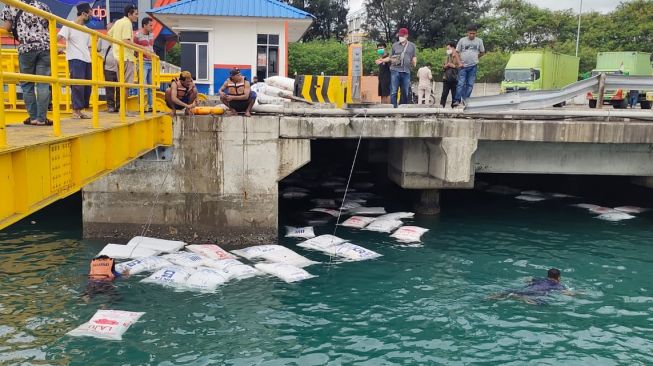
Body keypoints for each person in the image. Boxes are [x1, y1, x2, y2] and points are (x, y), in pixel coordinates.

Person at [1, 0, 53, 125]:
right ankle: (41, 119)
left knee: (27, 85)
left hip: (26, 48)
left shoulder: (11, 4)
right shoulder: (42, 6)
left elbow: (7, 27)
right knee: (43, 84)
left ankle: (33, 117)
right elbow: (50, 26)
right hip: (44, 48)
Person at [57, 3, 92, 119]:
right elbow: (59, 37)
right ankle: (75, 111)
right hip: (75, 58)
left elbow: (89, 46)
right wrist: (57, 48)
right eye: (90, 14)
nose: (91, 17)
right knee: (77, 85)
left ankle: (80, 110)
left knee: (87, 86)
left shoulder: (87, 30)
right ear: (83, 14)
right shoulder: (69, 25)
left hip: (87, 59)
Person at [108, 5, 146, 107]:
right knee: (127, 85)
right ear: (129, 14)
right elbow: (126, 40)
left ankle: (121, 109)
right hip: (126, 57)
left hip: (117, 55)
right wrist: (141, 48)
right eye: (136, 14)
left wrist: (115, 47)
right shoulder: (127, 23)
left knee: (122, 84)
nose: (137, 16)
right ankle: (123, 110)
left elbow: (109, 34)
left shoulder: (118, 22)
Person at [488, 268, 575, 305]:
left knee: (511, 292)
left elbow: (527, 279)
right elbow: (567, 293)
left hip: (525, 289)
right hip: (533, 294)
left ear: (548, 275)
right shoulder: (559, 285)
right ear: (559, 277)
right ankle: (519, 297)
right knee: (543, 304)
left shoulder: (539, 279)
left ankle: (490, 297)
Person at [453, 24, 485, 108]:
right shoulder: (462, 40)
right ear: (467, 33)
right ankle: (457, 100)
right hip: (463, 66)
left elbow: (482, 52)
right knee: (460, 83)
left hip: (473, 66)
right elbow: (456, 52)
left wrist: (475, 58)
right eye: (470, 33)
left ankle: (466, 100)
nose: (472, 35)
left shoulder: (479, 41)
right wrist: (459, 62)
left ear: (476, 33)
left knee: (470, 84)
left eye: (474, 33)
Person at [384, 28, 417, 108]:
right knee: (394, 91)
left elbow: (414, 56)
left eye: (402, 36)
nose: (400, 37)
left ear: (406, 36)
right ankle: (394, 108)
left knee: (405, 91)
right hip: (395, 70)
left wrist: (414, 61)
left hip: (406, 71)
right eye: (400, 36)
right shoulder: (395, 45)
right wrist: (383, 60)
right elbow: (390, 57)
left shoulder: (412, 46)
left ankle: (402, 108)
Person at [133, 17, 155, 112]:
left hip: (151, 61)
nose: (152, 27)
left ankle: (150, 106)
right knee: (142, 85)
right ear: (144, 25)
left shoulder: (152, 35)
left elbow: (151, 47)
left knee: (151, 85)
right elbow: (134, 48)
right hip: (142, 61)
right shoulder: (138, 35)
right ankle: (142, 106)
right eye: (150, 25)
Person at [98, 22, 119, 113]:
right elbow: (97, 49)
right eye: (108, 29)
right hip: (107, 67)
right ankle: (110, 106)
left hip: (119, 67)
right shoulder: (102, 38)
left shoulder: (119, 39)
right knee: (109, 88)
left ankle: (119, 106)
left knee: (119, 88)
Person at [441, 41, 462, 108]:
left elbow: (461, 66)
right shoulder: (447, 56)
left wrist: (454, 66)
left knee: (454, 95)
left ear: (453, 48)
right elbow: (443, 67)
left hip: (455, 78)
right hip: (446, 78)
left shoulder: (458, 55)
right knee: (444, 94)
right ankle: (441, 108)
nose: (447, 50)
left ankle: (454, 109)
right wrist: (447, 65)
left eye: (448, 48)